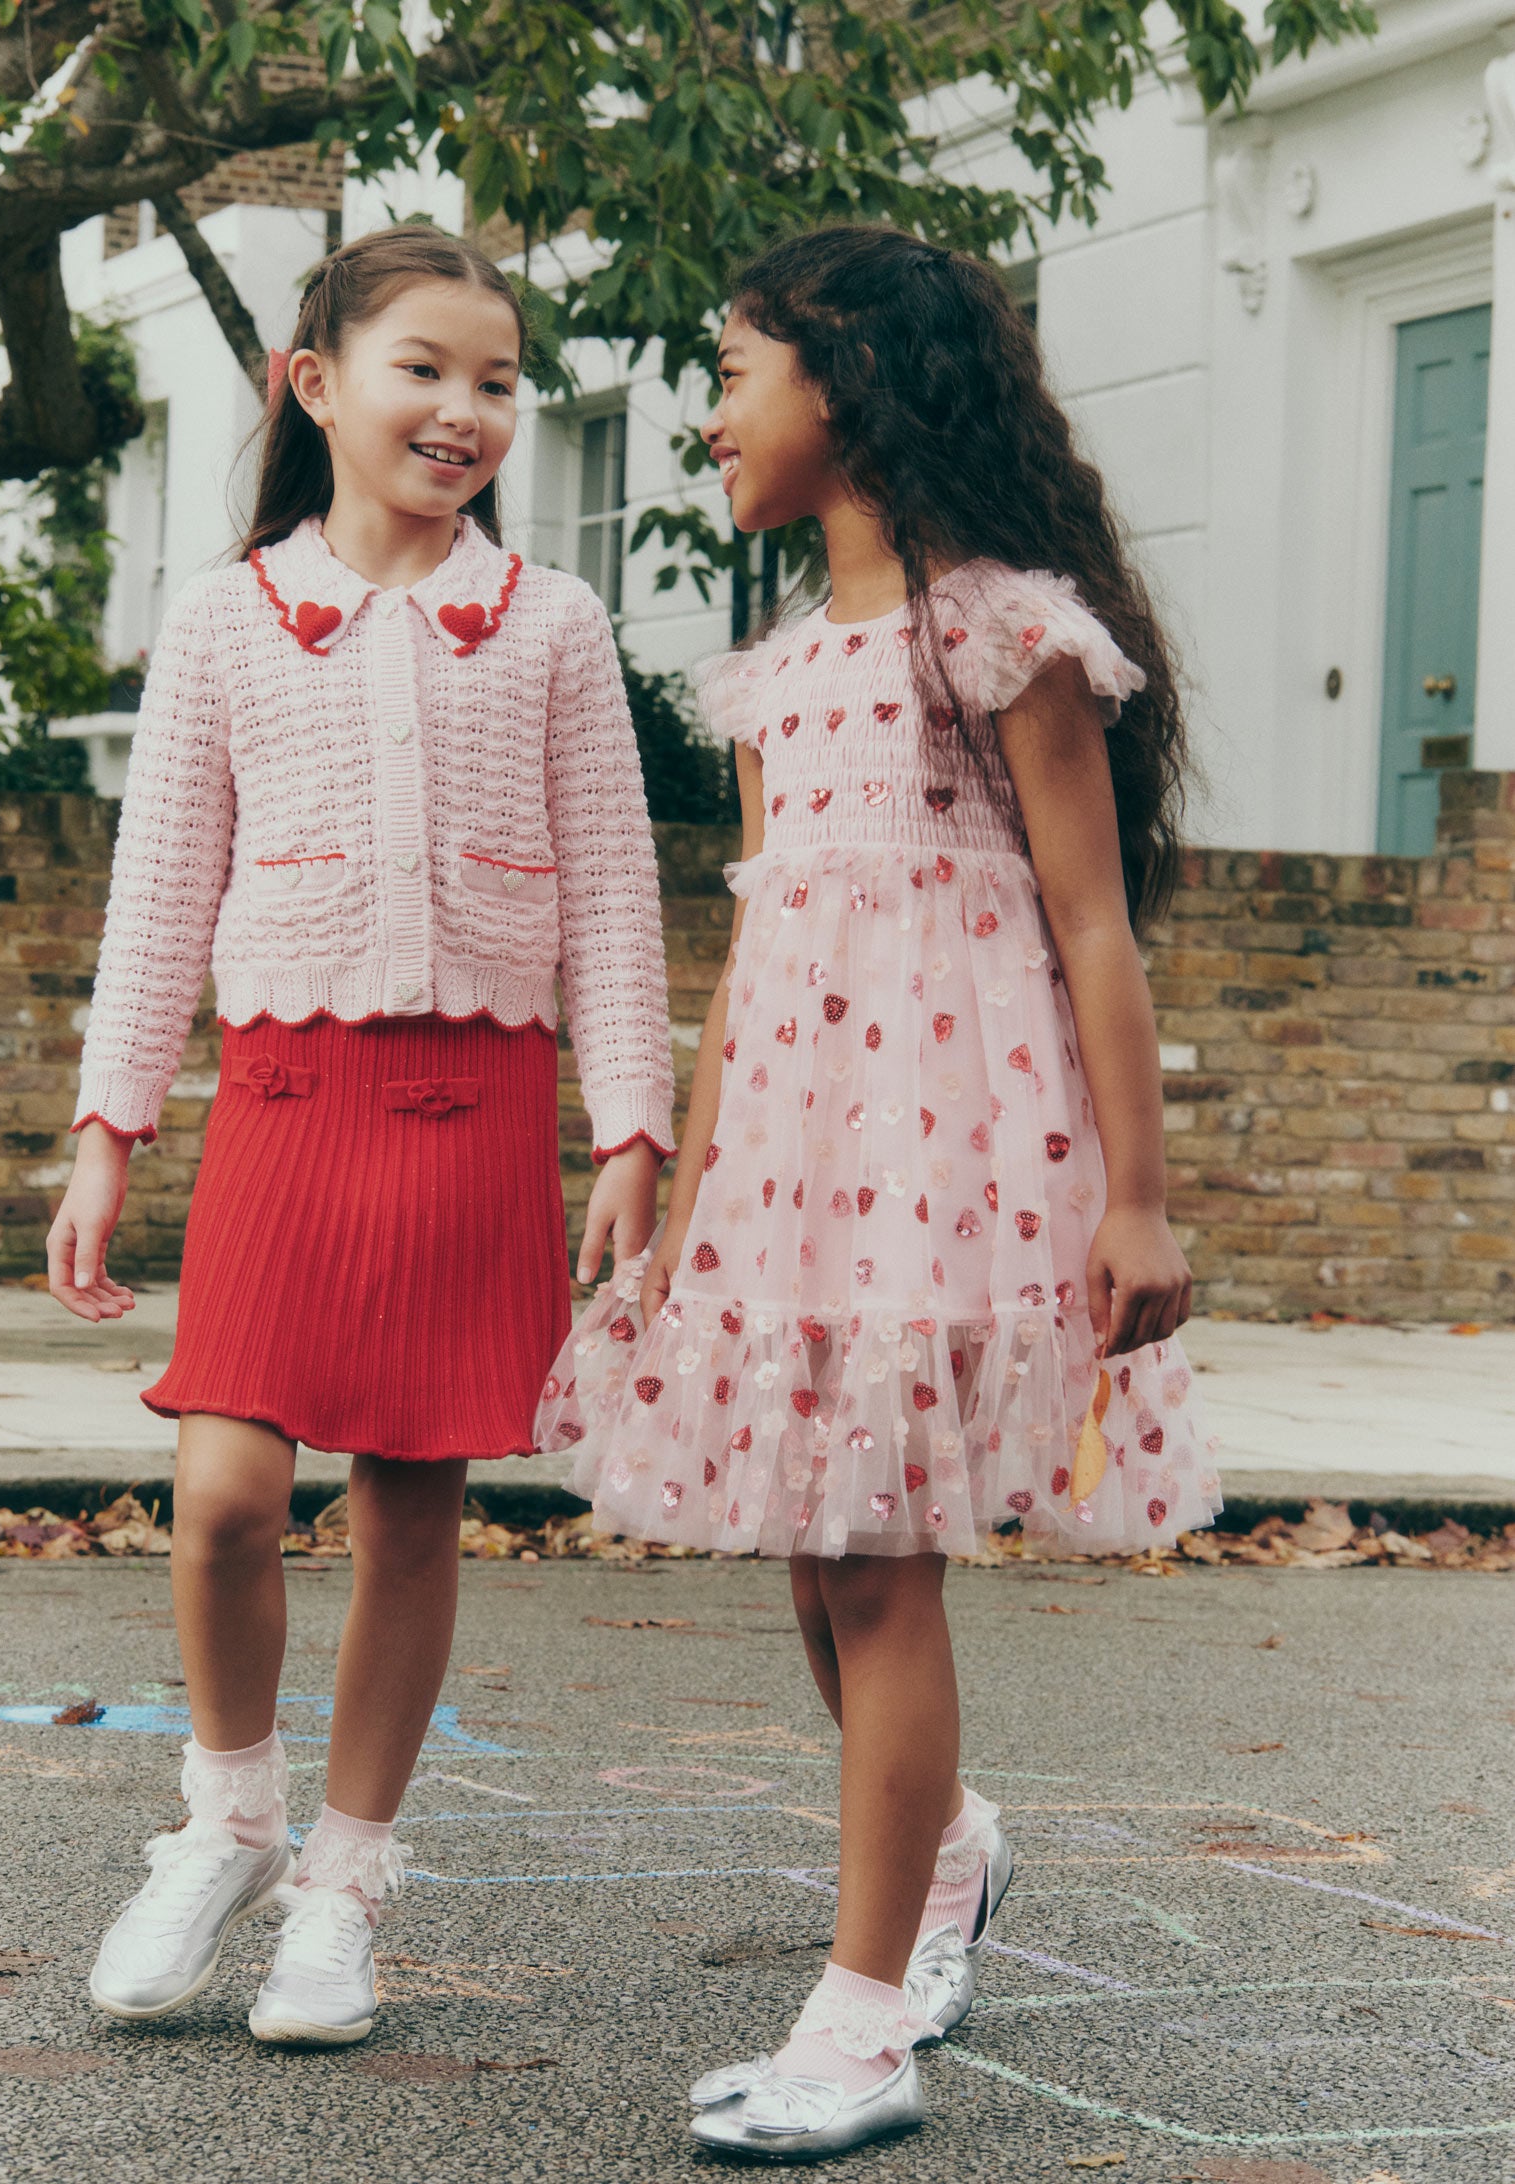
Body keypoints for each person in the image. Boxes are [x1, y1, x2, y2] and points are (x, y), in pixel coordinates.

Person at [538, 225, 1220, 2160]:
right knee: (816, 1554)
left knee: (879, 1554)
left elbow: (1095, 928)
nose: (708, 414)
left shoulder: (1001, 629)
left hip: (957, 1155)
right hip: (797, 1161)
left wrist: (1138, 1203)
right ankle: (950, 1848)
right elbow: (752, 955)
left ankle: (861, 2023)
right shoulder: (773, 684)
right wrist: (679, 1182)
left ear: (842, 383)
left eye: (733, 370)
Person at [47, 224, 674, 2048]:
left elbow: (616, 899)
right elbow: (158, 895)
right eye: (426, 368)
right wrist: (111, 1133)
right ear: (314, 385)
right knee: (229, 1497)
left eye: (497, 381)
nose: (465, 410)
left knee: (414, 1509)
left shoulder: (552, 622)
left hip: (474, 1115)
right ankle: (226, 1820)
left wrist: (631, 1123)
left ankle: (343, 1882)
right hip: (285, 1107)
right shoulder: (227, 620)